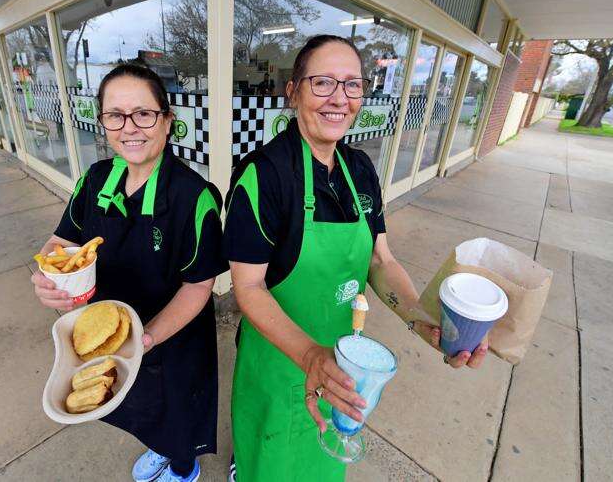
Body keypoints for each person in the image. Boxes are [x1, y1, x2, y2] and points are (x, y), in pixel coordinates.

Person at [223, 35, 488, 481]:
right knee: (269, 461)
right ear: (294, 91)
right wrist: (311, 357)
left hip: (344, 365)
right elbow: (248, 287)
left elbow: (380, 261)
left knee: (325, 461)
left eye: (352, 85)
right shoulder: (264, 175)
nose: (339, 98)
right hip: (277, 361)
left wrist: (426, 322)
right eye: (323, 82)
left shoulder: (360, 169)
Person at [31, 64, 227, 482]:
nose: (129, 127)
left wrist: (146, 338)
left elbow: (198, 286)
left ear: (167, 120)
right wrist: (49, 275)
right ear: (103, 122)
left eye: (143, 113)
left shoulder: (195, 198)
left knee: (177, 412)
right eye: (115, 115)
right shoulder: (95, 180)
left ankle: (184, 466)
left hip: (172, 337)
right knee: (135, 405)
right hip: (109, 337)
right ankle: (159, 447)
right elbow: (60, 241)